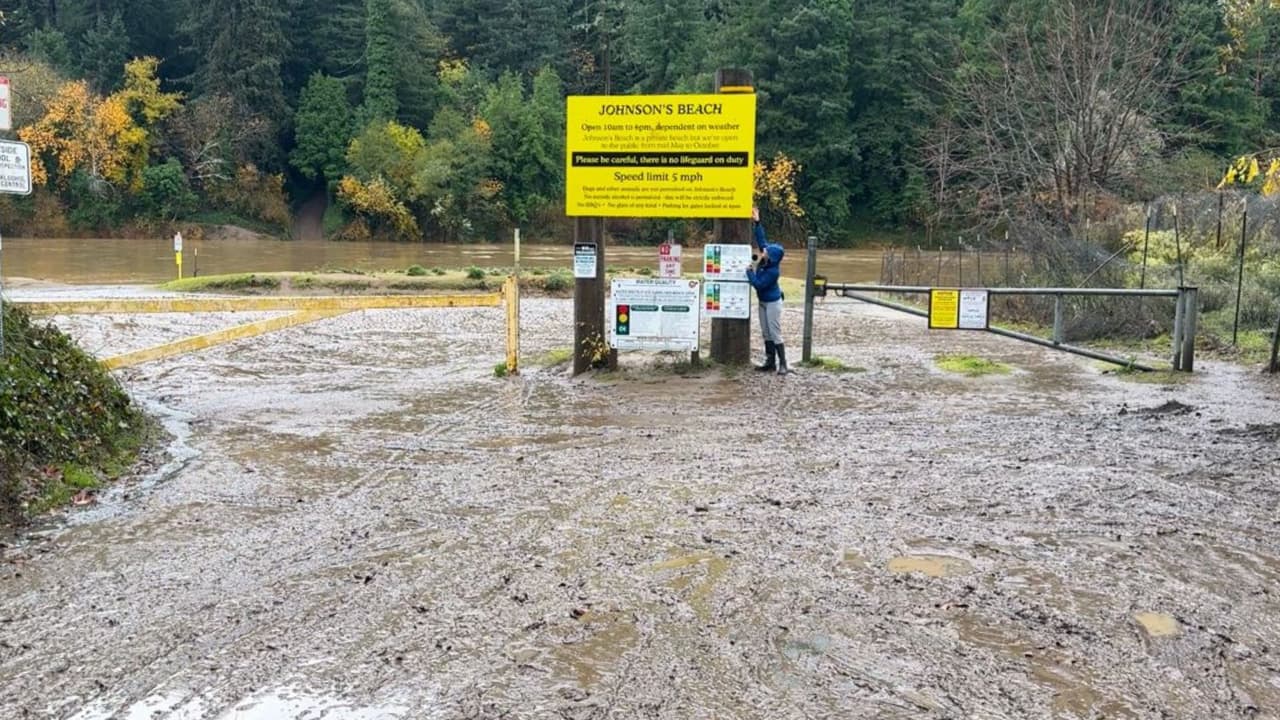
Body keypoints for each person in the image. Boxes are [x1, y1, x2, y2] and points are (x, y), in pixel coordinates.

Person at [746, 207, 787, 375]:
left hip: (772, 303)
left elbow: (758, 284)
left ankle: (783, 364)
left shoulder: (773, 272)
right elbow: (761, 239)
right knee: (765, 332)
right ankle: (770, 362)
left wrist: (749, 272)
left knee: (775, 332)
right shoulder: (767, 258)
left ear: (771, 257)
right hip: (762, 302)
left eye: (766, 252)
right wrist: (757, 221)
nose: (763, 251)